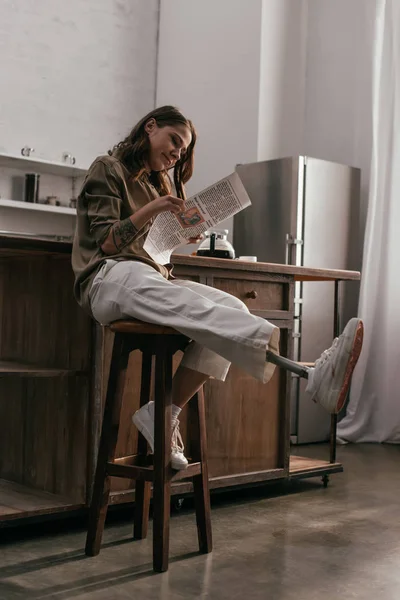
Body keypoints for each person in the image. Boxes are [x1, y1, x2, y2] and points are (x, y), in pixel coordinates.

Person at [72, 105, 364, 471]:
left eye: (183, 150)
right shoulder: (108, 168)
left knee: (232, 310)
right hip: (107, 278)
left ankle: (163, 413)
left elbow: (150, 250)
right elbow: (109, 243)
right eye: (174, 141)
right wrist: (157, 208)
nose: (177, 153)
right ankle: (308, 373)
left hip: (148, 277)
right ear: (150, 127)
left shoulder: (155, 184)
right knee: (179, 298)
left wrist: (178, 233)